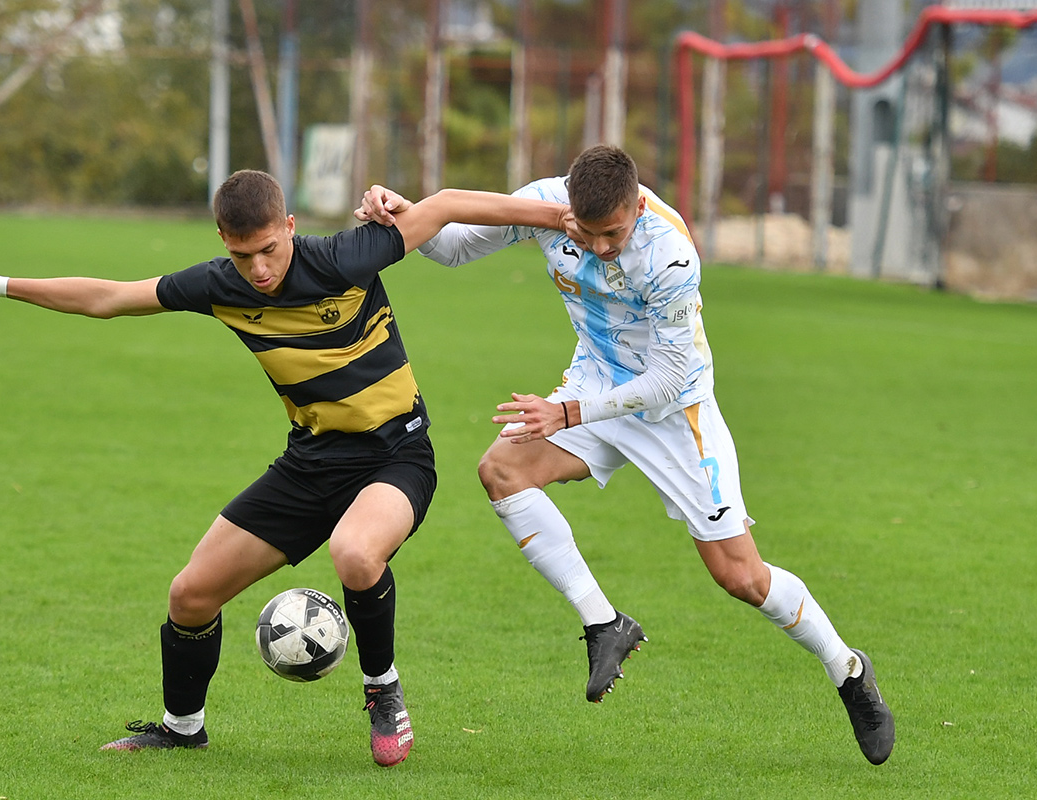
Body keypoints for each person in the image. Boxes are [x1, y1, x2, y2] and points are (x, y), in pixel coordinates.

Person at [0, 170, 567, 766]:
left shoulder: (345, 258)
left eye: (268, 249)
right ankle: (182, 729)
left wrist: (561, 218)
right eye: (243, 256)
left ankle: (383, 691)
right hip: (310, 462)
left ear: (290, 226)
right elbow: (110, 297)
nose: (258, 269)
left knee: (354, 552)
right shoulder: (220, 284)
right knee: (190, 595)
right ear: (223, 245)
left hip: (396, 455)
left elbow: (449, 204)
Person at [355, 145, 895, 766]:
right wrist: (402, 214)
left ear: (637, 207)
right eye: (587, 233)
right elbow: (450, 247)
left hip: (674, 412)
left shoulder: (670, 254)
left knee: (740, 576)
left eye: (613, 233)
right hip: (595, 379)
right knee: (501, 470)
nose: (601, 247)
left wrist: (567, 414)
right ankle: (603, 624)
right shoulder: (544, 206)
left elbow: (668, 377)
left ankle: (848, 669)